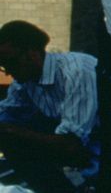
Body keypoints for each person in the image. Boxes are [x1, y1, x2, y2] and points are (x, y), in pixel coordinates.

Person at [0, 20, 99, 193]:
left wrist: (9, 130)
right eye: (3, 66)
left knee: (10, 134)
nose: (8, 72)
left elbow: (72, 145)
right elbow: (6, 115)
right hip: (67, 149)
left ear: (32, 53)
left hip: (97, 151)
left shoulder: (76, 71)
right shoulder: (23, 81)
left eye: (11, 62)